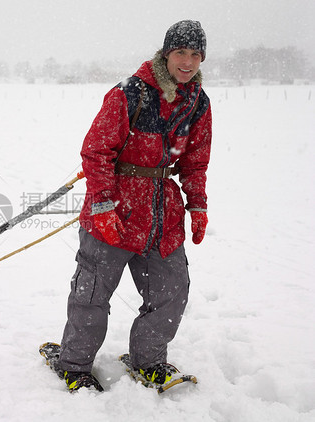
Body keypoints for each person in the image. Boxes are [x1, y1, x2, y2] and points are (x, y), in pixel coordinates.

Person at [55, 20, 212, 392]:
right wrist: (105, 207)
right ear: (166, 53)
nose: (187, 62)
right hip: (117, 210)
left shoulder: (197, 103)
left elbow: (195, 161)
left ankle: (149, 360)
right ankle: (74, 364)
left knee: (172, 290)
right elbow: (96, 151)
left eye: (195, 54)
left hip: (163, 216)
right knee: (92, 294)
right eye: (180, 53)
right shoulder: (131, 93)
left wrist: (198, 205)